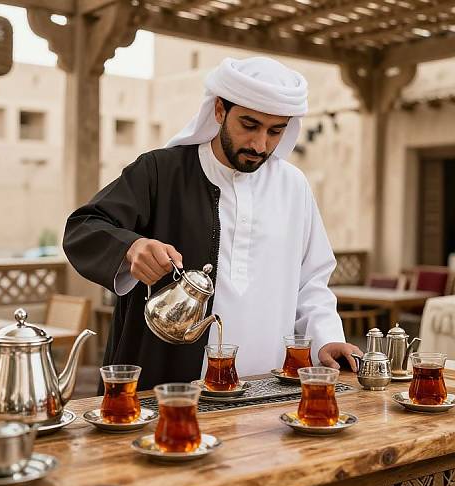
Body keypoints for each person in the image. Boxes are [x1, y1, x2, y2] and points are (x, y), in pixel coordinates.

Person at [63, 56, 362, 390]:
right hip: (170, 386)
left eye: (275, 131)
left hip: (266, 387)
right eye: (249, 125)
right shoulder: (161, 172)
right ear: (219, 110)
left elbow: (311, 282)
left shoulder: (294, 187)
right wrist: (132, 248)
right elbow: (83, 227)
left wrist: (326, 338)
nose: (260, 145)